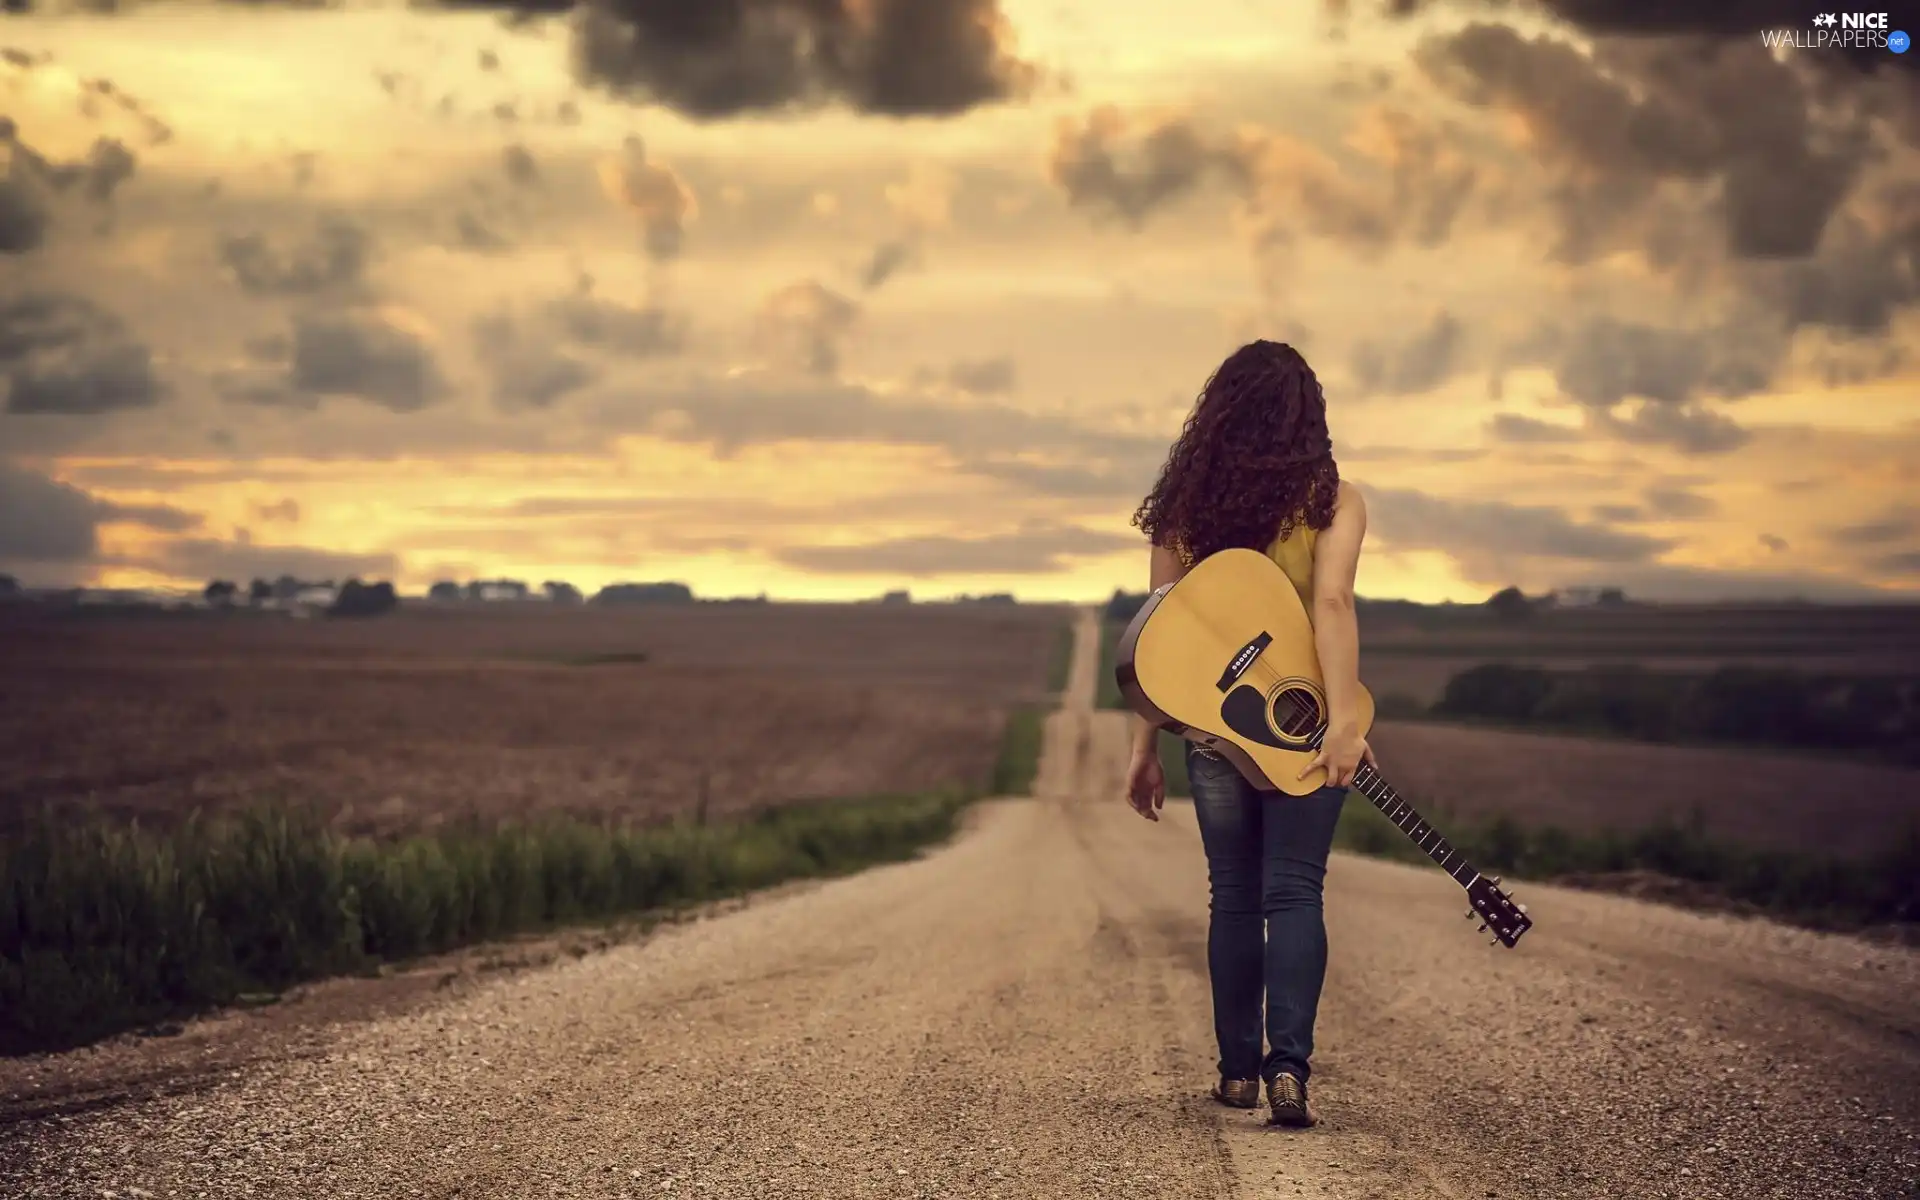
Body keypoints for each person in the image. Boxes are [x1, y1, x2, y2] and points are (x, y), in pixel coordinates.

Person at [1121, 339, 1373, 1129]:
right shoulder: (1335, 501)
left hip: (1212, 735)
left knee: (1232, 896)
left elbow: (1160, 644)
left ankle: (1237, 1073)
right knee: (1294, 889)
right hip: (1305, 727)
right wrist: (1338, 723)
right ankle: (1288, 1067)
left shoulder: (1186, 508)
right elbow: (1331, 607)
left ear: (1217, 415)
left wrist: (1143, 748)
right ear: (1309, 418)